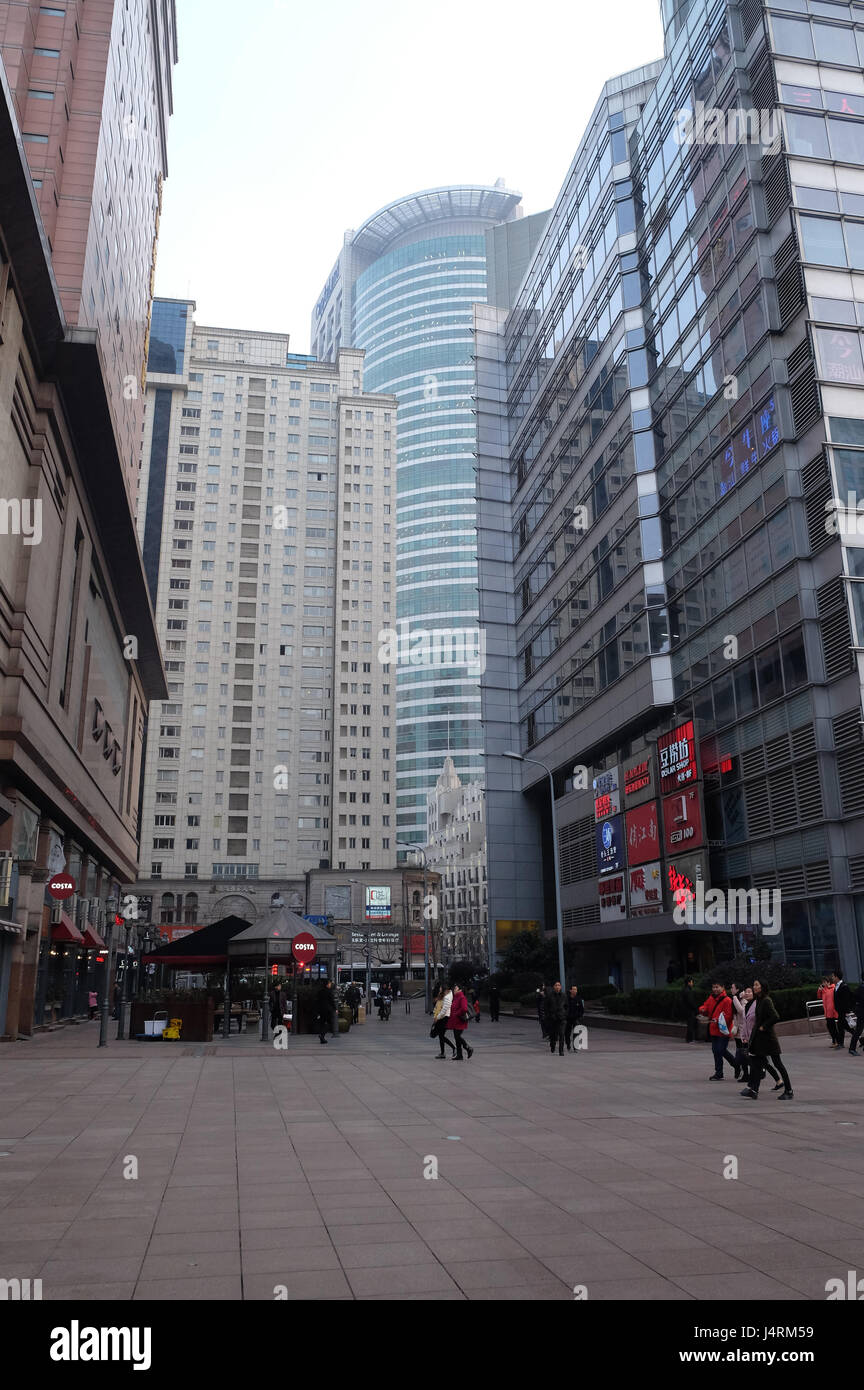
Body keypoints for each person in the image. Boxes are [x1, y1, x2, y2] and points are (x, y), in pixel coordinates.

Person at [741, 980, 793, 1100]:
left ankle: (789, 1090)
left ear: (763, 987)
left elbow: (775, 1016)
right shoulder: (758, 1000)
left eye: (756, 985)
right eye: (754, 984)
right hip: (759, 1039)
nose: (754, 987)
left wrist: (764, 1026)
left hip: (768, 1039)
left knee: (778, 1064)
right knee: (756, 1064)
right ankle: (753, 1090)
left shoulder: (766, 1000)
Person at [698, 982, 741, 1081]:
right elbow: (705, 1007)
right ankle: (719, 1072)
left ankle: (735, 1065)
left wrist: (718, 1019)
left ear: (722, 987)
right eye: (713, 987)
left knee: (720, 1050)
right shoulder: (711, 998)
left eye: (717, 987)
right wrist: (703, 1009)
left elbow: (729, 1015)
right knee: (716, 1051)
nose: (715, 989)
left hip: (723, 1030)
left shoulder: (727, 1000)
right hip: (713, 1029)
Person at [449, 982, 473, 1061]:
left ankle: (468, 1048)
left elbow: (464, 1009)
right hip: (455, 1021)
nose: (454, 990)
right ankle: (460, 1055)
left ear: (460, 990)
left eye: (455, 988)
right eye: (454, 988)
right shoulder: (456, 997)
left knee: (458, 1037)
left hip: (460, 1021)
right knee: (456, 1038)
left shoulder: (462, 997)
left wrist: (456, 1014)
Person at [431, 983, 455, 1059]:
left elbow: (444, 1009)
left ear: (444, 989)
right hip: (440, 1018)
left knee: (440, 1035)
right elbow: (437, 1006)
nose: (440, 989)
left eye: (441, 988)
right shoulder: (441, 996)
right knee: (440, 1036)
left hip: (444, 1018)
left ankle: (453, 1048)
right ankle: (443, 1053)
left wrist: (437, 1017)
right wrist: (435, 1014)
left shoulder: (447, 997)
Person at [834, 973, 855, 1051]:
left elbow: (846, 999)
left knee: (841, 1026)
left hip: (843, 1011)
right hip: (839, 1010)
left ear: (837, 977)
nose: (832, 978)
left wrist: (847, 1011)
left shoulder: (844, 986)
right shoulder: (836, 986)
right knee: (844, 1026)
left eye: (833, 976)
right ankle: (858, 1037)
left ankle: (841, 1043)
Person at [545, 981, 567, 1056]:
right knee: (553, 1035)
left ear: (560, 987)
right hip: (552, 1018)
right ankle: (552, 1044)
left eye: (559, 985)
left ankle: (561, 1051)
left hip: (562, 1018)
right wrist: (549, 1016)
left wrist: (565, 1014)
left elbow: (567, 1006)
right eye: (556, 985)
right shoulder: (550, 996)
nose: (557, 986)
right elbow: (546, 1007)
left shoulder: (564, 996)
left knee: (562, 1034)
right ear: (554, 987)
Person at [818, 976, 840, 1048]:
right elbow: (819, 996)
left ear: (828, 982)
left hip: (832, 1012)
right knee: (830, 1027)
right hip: (827, 1012)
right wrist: (819, 990)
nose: (823, 983)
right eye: (822, 982)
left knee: (833, 1027)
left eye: (825, 982)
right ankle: (835, 1041)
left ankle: (837, 1041)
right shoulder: (824, 990)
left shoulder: (832, 989)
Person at [847, 979, 864, 1057]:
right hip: (862, 1013)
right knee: (858, 1031)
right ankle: (852, 1049)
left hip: (860, 1012)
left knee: (858, 1031)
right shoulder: (861, 988)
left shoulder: (859, 987)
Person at [565, 985, 584, 1051]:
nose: (575, 991)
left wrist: (579, 1016)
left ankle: (575, 1047)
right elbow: (564, 1008)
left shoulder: (578, 999)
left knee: (576, 1032)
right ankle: (568, 1045)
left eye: (576, 989)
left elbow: (581, 1009)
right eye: (573, 989)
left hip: (576, 1018)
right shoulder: (566, 999)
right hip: (568, 1019)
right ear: (570, 990)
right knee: (567, 1033)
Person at [681, 977, 700, 1043]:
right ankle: (690, 1039)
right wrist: (696, 1009)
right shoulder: (688, 991)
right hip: (690, 1011)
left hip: (686, 1010)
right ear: (689, 982)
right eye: (692, 982)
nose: (692, 983)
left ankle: (689, 1038)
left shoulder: (684, 989)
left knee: (690, 1024)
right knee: (691, 1025)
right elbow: (691, 1001)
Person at [316, 980, 335, 1044]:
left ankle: (322, 1038)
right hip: (328, 1009)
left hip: (321, 1009)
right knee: (329, 1023)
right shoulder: (329, 991)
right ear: (327, 984)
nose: (330, 985)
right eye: (329, 984)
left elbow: (317, 1001)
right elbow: (332, 1000)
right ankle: (322, 1034)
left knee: (322, 1022)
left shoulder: (320, 991)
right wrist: (335, 1009)